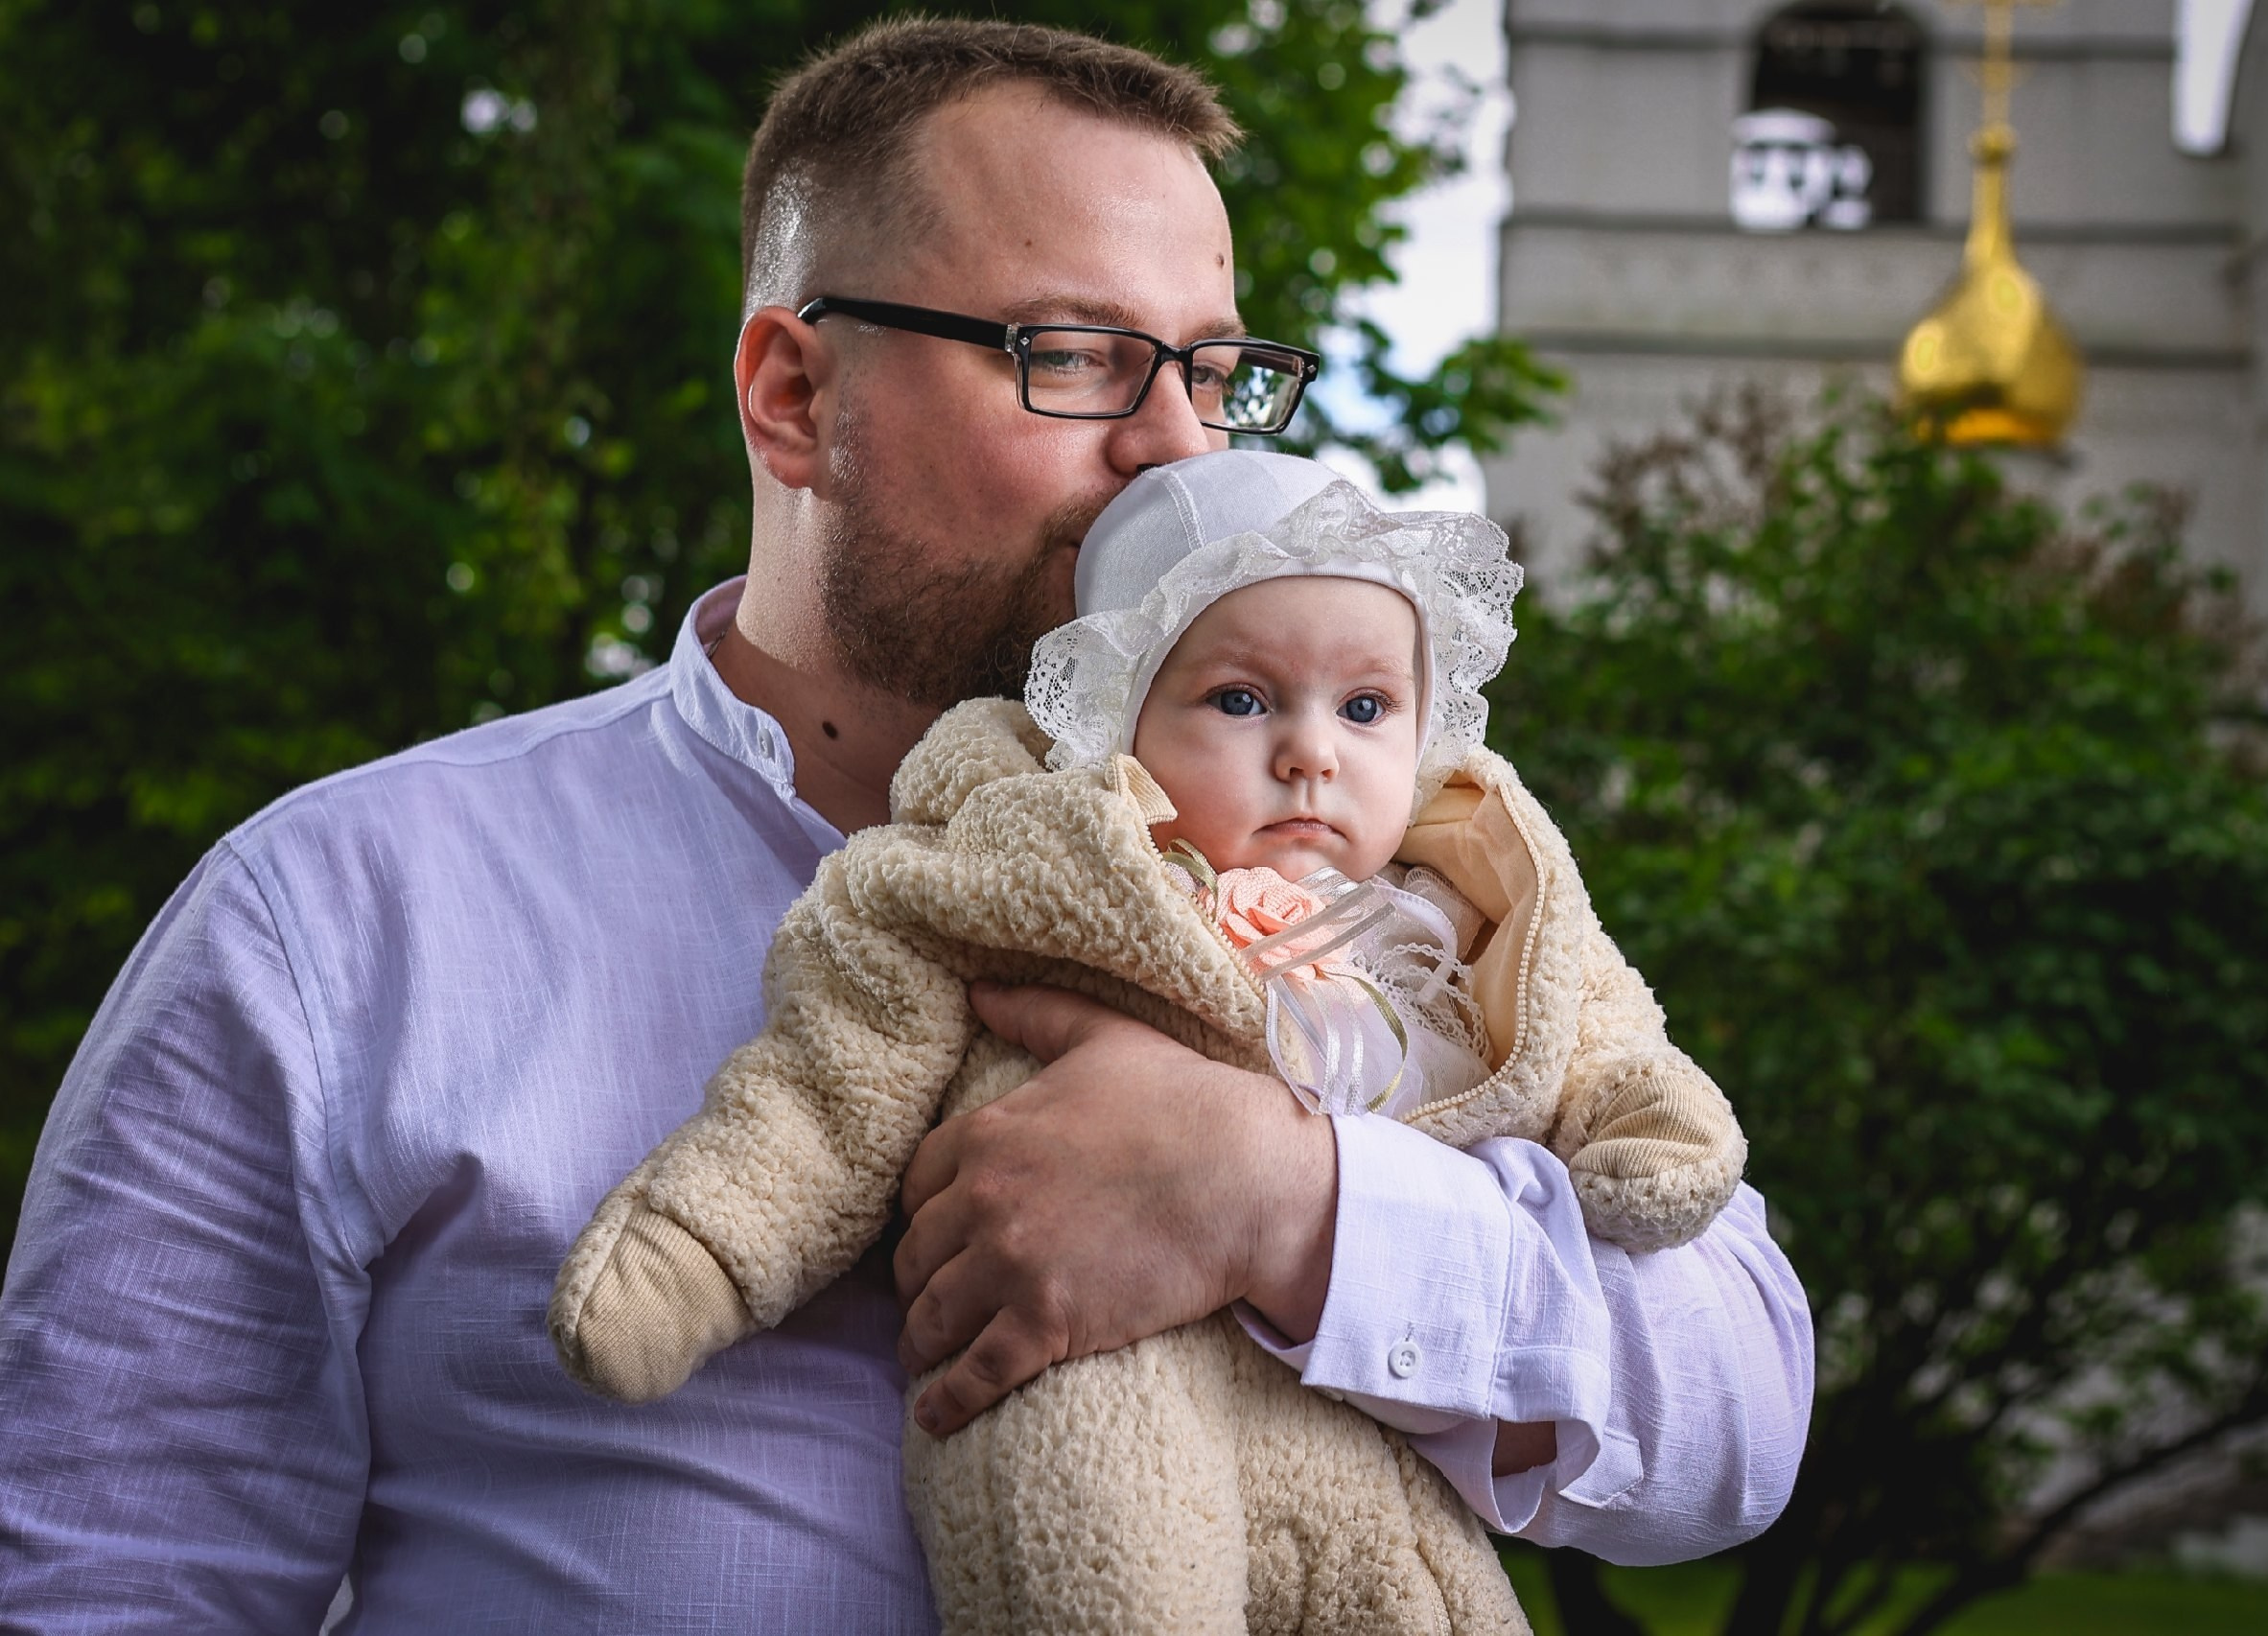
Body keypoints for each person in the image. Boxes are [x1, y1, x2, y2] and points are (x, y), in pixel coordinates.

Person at [0, 18, 1812, 1633]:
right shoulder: (342, 916)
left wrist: (1290, 1206)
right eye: (1081, 358)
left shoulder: (1390, 863)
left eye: (1219, 371)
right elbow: (121, 1573)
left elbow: (1738, 1413)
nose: (1182, 455)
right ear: (796, 396)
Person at [549, 450, 1754, 1631]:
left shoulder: (1466, 913)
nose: (1311, 750)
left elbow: (1600, 1030)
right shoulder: (1020, 871)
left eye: (1368, 706)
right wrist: (703, 1244)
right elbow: (831, 1082)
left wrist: (1639, 1116)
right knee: (1103, 1560)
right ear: (1118, 722)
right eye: (1241, 699)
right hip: (1096, 1370)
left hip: (1365, 1431)